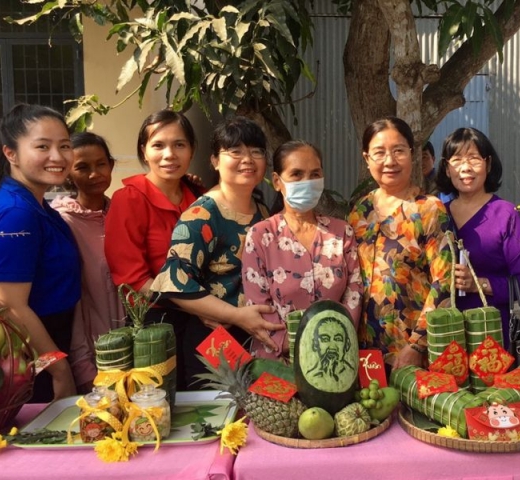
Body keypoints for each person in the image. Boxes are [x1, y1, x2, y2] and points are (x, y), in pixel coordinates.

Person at [151, 116, 279, 388]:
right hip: (215, 341)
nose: (248, 159)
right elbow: (173, 282)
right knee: (219, 421)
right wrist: (234, 316)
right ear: (215, 161)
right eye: (236, 151)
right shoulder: (202, 214)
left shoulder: (263, 212)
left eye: (256, 152)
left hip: (256, 336)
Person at [241, 140, 362, 360]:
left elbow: (353, 295)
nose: (307, 182)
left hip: (335, 357)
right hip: (277, 362)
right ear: (277, 181)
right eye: (296, 174)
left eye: (315, 174)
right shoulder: (261, 236)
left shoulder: (341, 232)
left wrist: (337, 340)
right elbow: (259, 306)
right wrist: (301, 346)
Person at [349, 116, 453, 370]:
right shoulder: (359, 212)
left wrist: (417, 345)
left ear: (412, 154)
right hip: (364, 352)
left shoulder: (428, 209)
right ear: (366, 159)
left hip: (412, 350)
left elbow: (444, 282)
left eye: (398, 151)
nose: (389, 161)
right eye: (379, 153)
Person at [0, 104, 79, 401]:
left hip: (51, 338)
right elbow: (9, 303)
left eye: (65, 146)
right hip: (32, 350)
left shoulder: (38, 205)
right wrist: (58, 369)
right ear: (11, 153)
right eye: (43, 146)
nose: (58, 157)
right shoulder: (16, 212)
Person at [435, 127, 520, 345]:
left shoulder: (505, 214)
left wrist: (478, 284)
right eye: (456, 160)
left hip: (493, 335)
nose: (465, 167)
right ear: (446, 168)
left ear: (488, 164)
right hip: (442, 336)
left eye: (474, 158)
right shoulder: (436, 214)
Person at [51, 132, 125, 393]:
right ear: (68, 173)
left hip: (136, 351)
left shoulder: (125, 213)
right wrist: (84, 367)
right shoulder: (63, 223)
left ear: (111, 165)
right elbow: (75, 299)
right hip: (92, 355)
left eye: (101, 164)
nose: (94, 174)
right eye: (82, 167)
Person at [105, 110, 203, 296]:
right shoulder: (129, 200)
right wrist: (199, 307)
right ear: (144, 152)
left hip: (210, 309)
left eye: (179, 145)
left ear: (192, 150)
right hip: (158, 314)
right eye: (158, 145)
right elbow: (133, 278)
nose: (169, 155)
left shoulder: (201, 197)